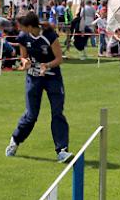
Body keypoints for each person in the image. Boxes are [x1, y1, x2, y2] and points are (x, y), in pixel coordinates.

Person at [5, 12, 71, 162]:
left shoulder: (49, 35)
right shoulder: (23, 37)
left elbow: (59, 59)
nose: (19, 29)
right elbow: (23, 56)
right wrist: (25, 62)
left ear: (29, 26)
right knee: (31, 115)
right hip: (33, 78)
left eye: (21, 26)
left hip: (52, 78)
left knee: (57, 113)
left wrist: (46, 65)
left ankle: (62, 150)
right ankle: (15, 141)